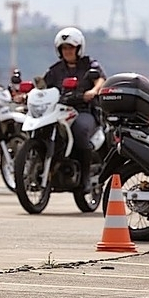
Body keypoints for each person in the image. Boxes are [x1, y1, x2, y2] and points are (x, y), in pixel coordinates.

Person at [43, 27, 106, 193]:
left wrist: (93, 91)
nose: (67, 51)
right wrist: (27, 96)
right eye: (64, 48)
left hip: (83, 110)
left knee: (80, 130)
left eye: (71, 48)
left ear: (78, 49)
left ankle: (85, 178)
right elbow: (43, 87)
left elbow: (100, 79)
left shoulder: (89, 64)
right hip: (58, 111)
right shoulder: (55, 70)